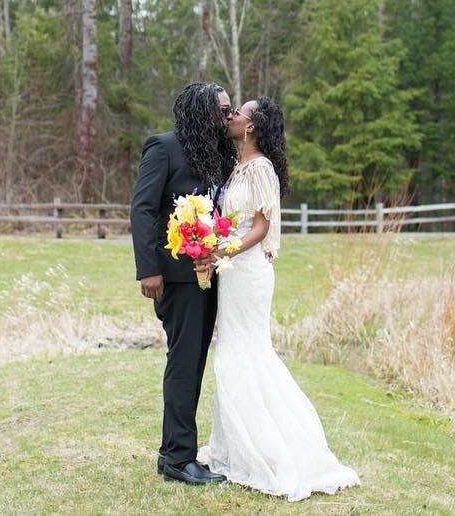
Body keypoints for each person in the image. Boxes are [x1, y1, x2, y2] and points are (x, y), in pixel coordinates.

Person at [195, 97, 361, 501]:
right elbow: (234, 222)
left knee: (245, 354)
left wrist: (225, 252)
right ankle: (234, 448)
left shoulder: (262, 168)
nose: (231, 117)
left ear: (251, 127)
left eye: (238, 114)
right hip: (233, 273)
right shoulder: (239, 168)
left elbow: (261, 227)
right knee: (235, 353)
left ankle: (271, 453)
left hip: (248, 274)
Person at [129, 82, 236, 485]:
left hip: (209, 275)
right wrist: (148, 269)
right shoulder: (164, 147)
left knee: (194, 363)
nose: (228, 118)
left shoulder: (217, 155)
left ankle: (175, 452)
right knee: (184, 361)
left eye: (230, 111)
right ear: (200, 112)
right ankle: (177, 458)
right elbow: (142, 208)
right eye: (222, 111)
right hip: (174, 275)